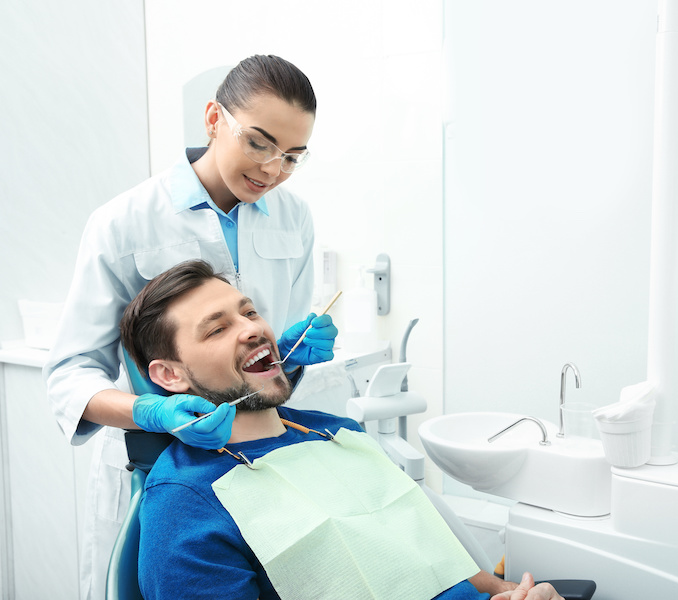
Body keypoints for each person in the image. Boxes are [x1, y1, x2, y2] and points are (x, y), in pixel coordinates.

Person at [42, 55, 337, 599]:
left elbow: (270, 357)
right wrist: (151, 410)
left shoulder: (294, 217)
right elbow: (69, 373)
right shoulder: (125, 220)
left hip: (255, 458)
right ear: (212, 119)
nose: (272, 169)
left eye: (293, 156)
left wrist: (291, 354)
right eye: (259, 143)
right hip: (158, 465)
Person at [121, 260, 563, 600]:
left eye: (250, 312)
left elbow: (455, 570)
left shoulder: (339, 434)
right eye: (218, 329)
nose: (253, 330)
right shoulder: (185, 503)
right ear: (170, 376)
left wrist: (511, 592)